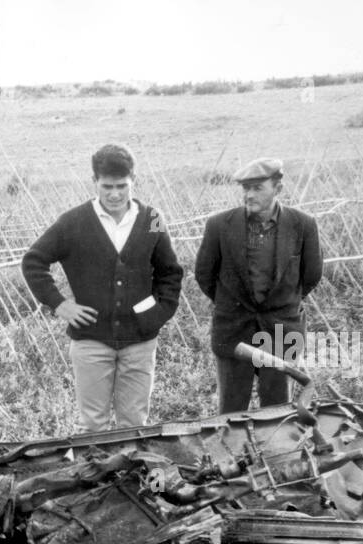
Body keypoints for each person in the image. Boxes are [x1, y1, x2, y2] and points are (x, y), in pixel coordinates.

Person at [21, 144, 183, 432]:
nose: (115, 194)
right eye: (107, 186)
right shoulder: (73, 221)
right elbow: (34, 261)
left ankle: (131, 476)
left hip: (140, 342)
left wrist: (158, 314)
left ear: (133, 179)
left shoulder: (153, 218)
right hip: (91, 342)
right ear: (94, 181)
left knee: (134, 424)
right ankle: (96, 476)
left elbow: (170, 272)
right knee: (93, 426)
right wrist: (60, 304)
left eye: (122, 186)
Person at [194, 157, 323, 413]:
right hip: (233, 332)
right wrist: (232, 305)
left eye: (257, 188)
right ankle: (234, 453)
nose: (249, 195)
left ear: (278, 189)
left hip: (281, 333)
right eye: (245, 188)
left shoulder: (303, 225)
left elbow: (311, 276)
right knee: (231, 412)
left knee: (278, 412)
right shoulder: (219, 226)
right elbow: (204, 275)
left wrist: (279, 306)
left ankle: (275, 454)